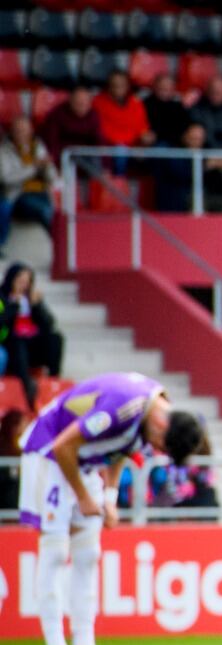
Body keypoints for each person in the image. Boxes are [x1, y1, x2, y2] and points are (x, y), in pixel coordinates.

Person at [21, 373, 205, 645]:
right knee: (54, 553)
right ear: (162, 425)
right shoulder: (122, 408)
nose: (156, 449)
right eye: (160, 445)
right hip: (50, 455)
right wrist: (82, 496)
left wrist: (109, 497)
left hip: (85, 464)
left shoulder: (155, 409)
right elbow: (64, 445)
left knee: (88, 555)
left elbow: (122, 449)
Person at [1, 263, 64, 409]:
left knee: (56, 338)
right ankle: (26, 386)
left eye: (27, 282)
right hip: (10, 343)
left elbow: (49, 324)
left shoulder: (32, 299)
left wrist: (37, 306)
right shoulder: (3, 298)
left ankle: (53, 380)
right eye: (20, 281)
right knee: (18, 342)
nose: (24, 285)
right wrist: (13, 305)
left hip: (32, 343)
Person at [0, 119, 59, 252]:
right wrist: (33, 168)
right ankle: (60, 248)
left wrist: (46, 167)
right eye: (18, 130)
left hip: (42, 192)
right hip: (19, 194)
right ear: (12, 132)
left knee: (56, 211)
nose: (22, 133)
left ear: (31, 131)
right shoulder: (4, 151)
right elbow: (6, 178)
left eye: (25, 130)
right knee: (45, 211)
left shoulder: (38, 147)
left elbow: (53, 178)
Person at [40, 85, 102, 161]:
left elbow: (98, 141)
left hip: (85, 157)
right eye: (78, 103)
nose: (82, 107)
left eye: (85, 103)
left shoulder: (93, 115)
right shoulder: (58, 114)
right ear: (70, 101)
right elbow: (51, 140)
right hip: (62, 156)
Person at [143, 73, 192, 147]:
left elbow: (185, 128)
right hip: (153, 145)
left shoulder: (178, 106)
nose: (165, 91)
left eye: (168, 88)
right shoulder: (145, 105)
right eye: (162, 88)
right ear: (155, 87)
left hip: (176, 143)